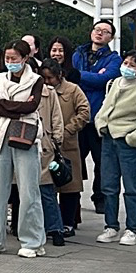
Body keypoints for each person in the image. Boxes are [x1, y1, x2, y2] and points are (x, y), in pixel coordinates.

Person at [0, 40, 46, 257]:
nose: (10, 62)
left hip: (25, 137)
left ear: (25, 58)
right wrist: (18, 109)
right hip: (0, 136)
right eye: (7, 58)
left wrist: (7, 105)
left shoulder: (36, 80)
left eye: (14, 58)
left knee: (28, 192)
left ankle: (32, 242)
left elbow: (32, 106)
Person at [94, 51, 136, 246]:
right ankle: (111, 226)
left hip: (127, 143)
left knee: (132, 188)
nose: (127, 67)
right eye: (126, 63)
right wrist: (100, 124)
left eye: (132, 65)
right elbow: (105, 107)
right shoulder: (114, 83)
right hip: (109, 140)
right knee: (108, 186)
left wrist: (132, 138)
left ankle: (132, 229)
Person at [72, 20, 122, 213]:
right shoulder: (78, 54)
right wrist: (92, 77)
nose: (99, 33)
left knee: (102, 162)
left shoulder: (114, 59)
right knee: (74, 160)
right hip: (77, 117)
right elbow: (71, 78)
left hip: (98, 118)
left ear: (111, 37)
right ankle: (72, 199)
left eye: (105, 31)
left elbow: (105, 80)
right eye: (97, 29)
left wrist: (80, 75)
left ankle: (100, 198)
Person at [40, 59, 90, 235]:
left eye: (50, 78)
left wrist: (67, 129)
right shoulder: (40, 90)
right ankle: (51, 223)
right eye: (44, 78)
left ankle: (69, 222)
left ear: (59, 75)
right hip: (46, 145)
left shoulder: (72, 90)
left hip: (68, 145)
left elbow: (84, 112)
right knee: (47, 186)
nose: (47, 81)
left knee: (70, 186)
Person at [34, 61, 66, 247]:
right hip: (23, 144)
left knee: (46, 190)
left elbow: (57, 118)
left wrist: (56, 141)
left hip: (45, 145)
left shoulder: (49, 93)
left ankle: (56, 228)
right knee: (27, 192)